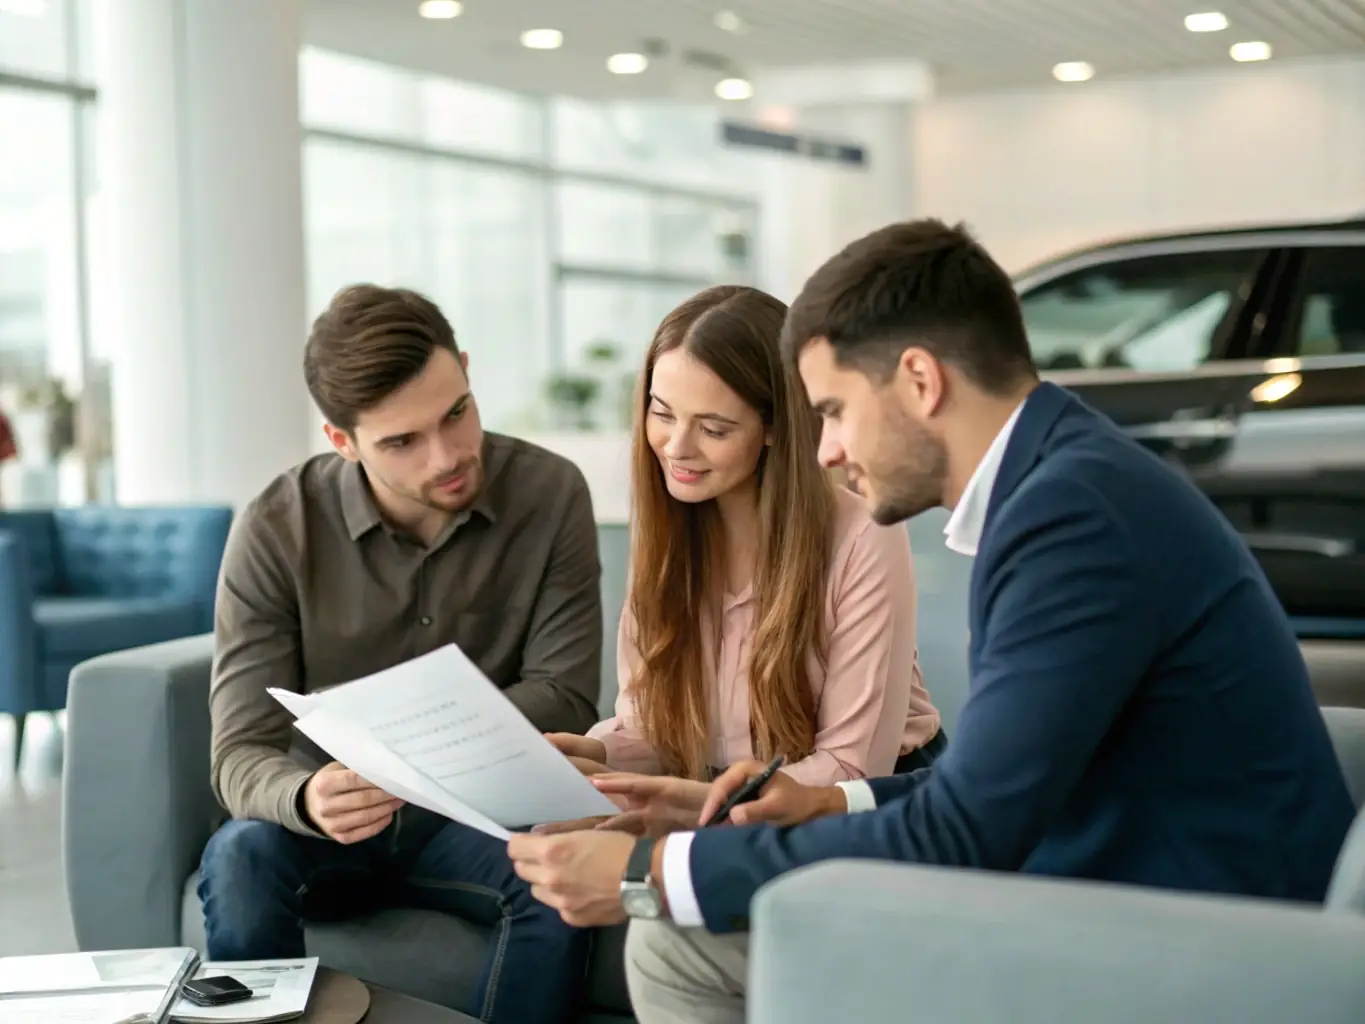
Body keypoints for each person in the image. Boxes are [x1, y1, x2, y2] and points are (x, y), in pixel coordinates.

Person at [506, 220, 1357, 1024]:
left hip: (1194, 933)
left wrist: (649, 870)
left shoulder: (1070, 519)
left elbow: (967, 828)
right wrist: (829, 804)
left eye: (833, 411)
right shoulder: (1066, 484)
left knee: (676, 942)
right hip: (1134, 878)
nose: (827, 450)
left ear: (919, 381)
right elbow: (998, 781)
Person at [199, 285, 601, 1024]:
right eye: (400, 442)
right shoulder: (276, 525)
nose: (448, 455)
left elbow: (567, 693)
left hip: (479, 818)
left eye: (457, 413)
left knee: (560, 871)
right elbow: (239, 754)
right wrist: (306, 798)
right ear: (341, 440)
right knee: (239, 856)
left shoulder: (549, 493)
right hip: (330, 828)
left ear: (469, 374)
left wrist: (418, 744)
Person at [546, 285, 942, 816]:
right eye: (662, 414)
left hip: (868, 807)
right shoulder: (671, 527)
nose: (676, 448)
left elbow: (851, 769)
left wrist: (702, 806)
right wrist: (598, 751)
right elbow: (659, 730)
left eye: (713, 428)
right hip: (727, 802)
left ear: (775, 427)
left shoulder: (864, 535)